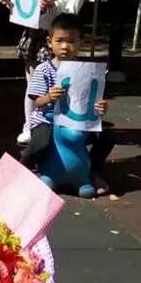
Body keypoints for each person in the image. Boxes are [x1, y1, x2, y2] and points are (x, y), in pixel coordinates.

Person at [2, 0, 88, 144]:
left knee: (57, 83)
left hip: (56, 40)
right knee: (33, 85)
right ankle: (30, 125)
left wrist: (52, 6)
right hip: (35, 36)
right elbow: (26, 9)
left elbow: (68, 19)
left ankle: (56, 122)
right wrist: (11, 3)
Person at [21, 13, 113, 195]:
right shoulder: (43, 69)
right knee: (40, 142)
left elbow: (92, 100)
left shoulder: (86, 71)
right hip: (47, 119)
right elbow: (37, 101)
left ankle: (93, 171)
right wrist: (49, 97)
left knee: (106, 138)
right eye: (59, 41)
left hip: (76, 122)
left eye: (71, 41)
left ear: (80, 43)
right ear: (49, 42)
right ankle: (24, 168)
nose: (65, 46)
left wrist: (101, 108)